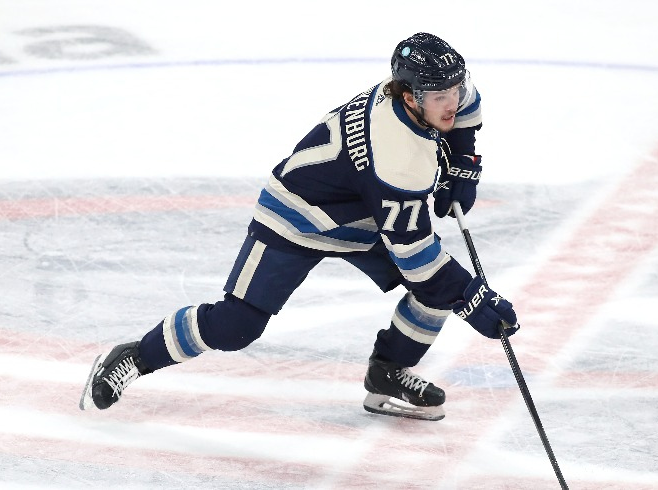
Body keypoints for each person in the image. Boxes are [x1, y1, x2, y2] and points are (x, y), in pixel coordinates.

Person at [79, 32, 519, 421]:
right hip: (297, 215)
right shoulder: (399, 158)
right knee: (237, 326)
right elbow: (417, 257)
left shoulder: (424, 97)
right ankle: (135, 357)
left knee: (433, 290)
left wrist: (463, 164)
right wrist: (471, 297)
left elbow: (469, 107)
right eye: (440, 96)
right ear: (409, 97)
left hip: (362, 212)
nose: (453, 102)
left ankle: (387, 373)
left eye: (454, 90)